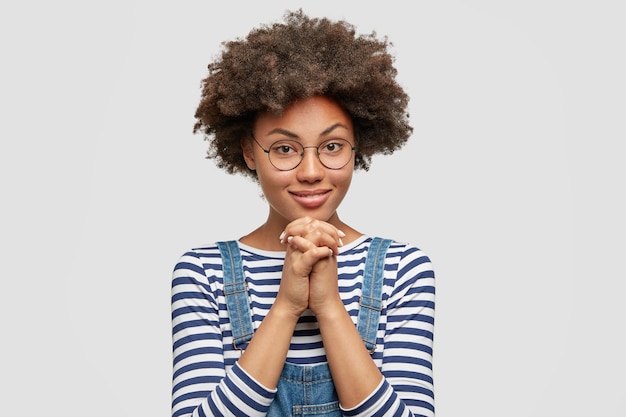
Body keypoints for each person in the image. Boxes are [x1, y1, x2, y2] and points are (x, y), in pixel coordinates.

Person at [171, 10, 435, 417]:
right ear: (248, 152)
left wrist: (329, 306)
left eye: (331, 146)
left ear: (357, 148)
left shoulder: (403, 269)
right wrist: (287, 306)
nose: (311, 172)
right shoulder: (203, 274)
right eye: (284, 149)